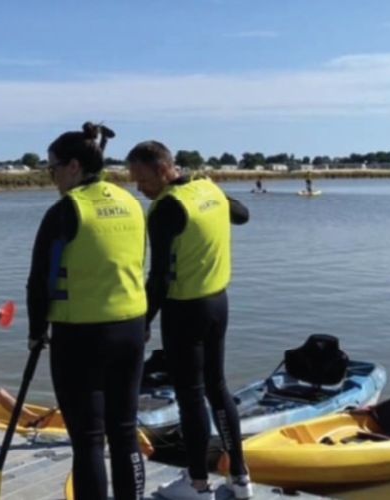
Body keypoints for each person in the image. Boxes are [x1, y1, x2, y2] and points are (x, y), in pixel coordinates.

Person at [27, 122, 147, 500]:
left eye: (53, 168)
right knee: (124, 432)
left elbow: (38, 281)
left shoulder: (66, 210)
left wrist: (35, 331)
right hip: (131, 329)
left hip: (81, 336)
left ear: (74, 166)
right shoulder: (131, 200)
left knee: (89, 440)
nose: (52, 177)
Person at [127, 140, 253, 500]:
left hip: (185, 310)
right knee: (218, 387)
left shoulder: (167, 208)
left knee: (191, 395)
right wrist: (218, 193)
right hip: (218, 304)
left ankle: (197, 484)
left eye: (140, 178)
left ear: (162, 169)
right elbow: (242, 215)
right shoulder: (206, 187)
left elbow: (160, 276)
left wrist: (144, 320)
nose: (138, 187)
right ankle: (240, 480)